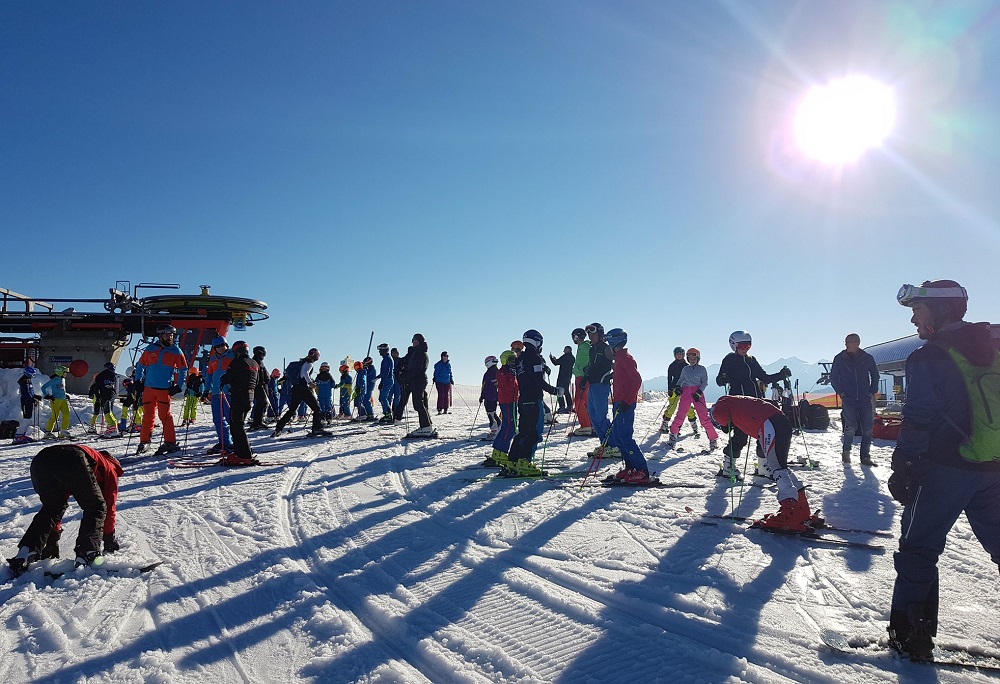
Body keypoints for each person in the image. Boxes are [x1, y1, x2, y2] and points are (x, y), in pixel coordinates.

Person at [887, 280, 1000, 661]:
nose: (915, 318)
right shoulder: (993, 347)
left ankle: (911, 636)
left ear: (941, 311)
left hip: (944, 471)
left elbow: (918, 417)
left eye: (919, 310)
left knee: (918, 548)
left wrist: (903, 463)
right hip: (994, 468)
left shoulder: (928, 356)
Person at [6, 443, 123, 575]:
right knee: (96, 507)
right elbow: (109, 505)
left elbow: (59, 503)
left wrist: (53, 539)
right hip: (73, 458)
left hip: (41, 461)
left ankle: (26, 552)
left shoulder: (93, 457)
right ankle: (88, 553)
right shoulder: (111, 467)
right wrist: (109, 539)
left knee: (52, 508)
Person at [711, 395, 812, 531]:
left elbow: (720, 415)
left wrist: (724, 425)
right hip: (780, 421)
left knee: (776, 467)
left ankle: (790, 512)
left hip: (768, 425)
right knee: (781, 466)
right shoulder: (734, 401)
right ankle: (801, 507)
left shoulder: (720, 406)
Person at [715, 331, 789, 480]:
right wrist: (723, 378)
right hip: (739, 403)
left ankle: (762, 467)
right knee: (741, 436)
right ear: (734, 345)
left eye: (748, 344)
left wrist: (781, 375)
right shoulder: (729, 360)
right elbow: (719, 380)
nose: (745, 348)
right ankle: (728, 467)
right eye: (742, 345)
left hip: (756, 402)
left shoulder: (752, 360)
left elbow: (765, 378)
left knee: (764, 434)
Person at [505, 330, 561, 476]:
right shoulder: (534, 357)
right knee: (534, 432)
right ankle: (525, 462)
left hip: (523, 399)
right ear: (537, 342)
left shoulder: (521, 359)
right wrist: (554, 391)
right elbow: (537, 380)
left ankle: (513, 461)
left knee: (523, 431)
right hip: (533, 398)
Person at [604, 329, 652, 484]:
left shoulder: (625, 358)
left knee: (624, 437)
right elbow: (624, 378)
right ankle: (631, 467)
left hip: (625, 404)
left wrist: (628, 400)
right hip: (619, 402)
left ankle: (642, 470)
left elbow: (636, 381)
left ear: (613, 342)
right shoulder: (619, 359)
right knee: (618, 437)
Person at [134, 325, 187, 455]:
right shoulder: (150, 348)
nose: (170, 337)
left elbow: (183, 369)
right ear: (160, 336)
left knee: (165, 416)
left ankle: (170, 442)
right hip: (148, 389)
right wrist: (137, 380)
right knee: (147, 416)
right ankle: (145, 441)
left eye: (172, 335)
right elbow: (140, 365)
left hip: (164, 389)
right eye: (167, 335)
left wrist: (179, 385)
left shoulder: (176, 351)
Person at [830, 333, 880, 465]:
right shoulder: (839, 359)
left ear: (857, 343)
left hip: (865, 398)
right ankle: (846, 453)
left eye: (849, 342)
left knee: (868, 428)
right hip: (849, 399)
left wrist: (872, 391)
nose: (846, 344)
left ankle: (865, 457)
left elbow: (875, 374)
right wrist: (841, 392)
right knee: (850, 426)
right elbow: (834, 377)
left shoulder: (867, 358)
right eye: (845, 342)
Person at [668, 348, 720, 450]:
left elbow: (704, 382)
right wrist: (678, 387)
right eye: (690, 358)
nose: (692, 360)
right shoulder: (685, 369)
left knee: (704, 417)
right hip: (686, 391)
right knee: (680, 415)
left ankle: (713, 439)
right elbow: (681, 379)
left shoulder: (702, 369)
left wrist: (699, 392)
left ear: (698, 358)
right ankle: (672, 437)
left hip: (697, 392)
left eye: (694, 358)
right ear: (687, 358)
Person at [219, 340, 260, 465]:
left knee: (236, 425)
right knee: (238, 424)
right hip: (250, 395)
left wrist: (223, 380)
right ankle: (241, 452)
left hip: (239, 395)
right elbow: (257, 381)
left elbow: (228, 377)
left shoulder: (237, 362)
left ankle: (244, 455)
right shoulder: (254, 363)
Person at [272, 348, 328, 437]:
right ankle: (317, 429)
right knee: (316, 408)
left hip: (296, 389)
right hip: (303, 389)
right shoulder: (309, 363)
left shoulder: (302, 362)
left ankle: (278, 428)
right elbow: (304, 373)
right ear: (316, 356)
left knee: (291, 410)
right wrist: (310, 383)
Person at [396, 333, 435, 437]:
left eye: (413, 340)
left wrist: (405, 375)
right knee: (419, 404)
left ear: (417, 341)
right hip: (416, 380)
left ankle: (425, 427)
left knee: (418, 404)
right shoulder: (417, 352)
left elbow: (416, 369)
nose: (412, 342)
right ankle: (427, 426)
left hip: (418, 380)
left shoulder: (420, 353)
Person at [486, 350, 519, 467]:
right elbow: (509, 387)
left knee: (507, 426)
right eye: (510, 360)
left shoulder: (508, 371)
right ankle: (502, 451)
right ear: (504, 360)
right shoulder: (503, 372)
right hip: (508, 401)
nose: (512, 362)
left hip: (512, 401)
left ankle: (498, 450)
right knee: (510, 427)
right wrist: (512, 375)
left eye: (513, 360)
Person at [584, 323, 614, 446]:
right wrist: (585, 378)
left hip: (601, 385)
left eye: (593, 334)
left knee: (601, 417)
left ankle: (613, 444)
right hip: (592, 385)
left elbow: (618, 363)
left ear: (600, 334)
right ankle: (604, 444)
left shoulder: (606, 348)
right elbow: (591, 366)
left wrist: (610, 375)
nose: (590, 336)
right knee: (593, 417)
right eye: (589, 334)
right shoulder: (592, 349)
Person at [204, 336, 235, 455]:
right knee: (217, 419)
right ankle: (224, 442)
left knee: (230, 418)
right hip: (216, 393)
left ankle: (234, 442)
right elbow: (209, 376)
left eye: (223, 345)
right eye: (218, 346)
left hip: (228, 392)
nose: (221, 348)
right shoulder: (213, 359)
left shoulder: (232, 356)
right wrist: (206, 390)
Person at [660, 346, 698, 436]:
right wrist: (669, 389)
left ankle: (694, 426)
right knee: (672, 407)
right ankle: (664, 425)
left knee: (688, 407)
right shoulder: (672, 366)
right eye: (677, 354)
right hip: (674, 388)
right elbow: (669, 378)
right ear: (675, 355)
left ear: (683, 355)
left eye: (681, 354)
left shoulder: (687, 366)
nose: (679, 356)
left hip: (685, 388)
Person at [570, 328, 594, 436]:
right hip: (580, 376)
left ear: (577, 336)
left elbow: (592, 356)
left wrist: (587, 368)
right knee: (583, 401)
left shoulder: (585, 346)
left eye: (574, 336)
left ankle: (586, 426)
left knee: (579, 401)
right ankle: (589, 424)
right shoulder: (582, 346)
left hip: (582, 377)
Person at [88, 363, 119, 435]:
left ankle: (112, 428)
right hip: (109, 395)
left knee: (107, 412)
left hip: (104, 395)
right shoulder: (111, 374)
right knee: (108, 411)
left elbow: (95, 385)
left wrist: (92, 394)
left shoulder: (102, 375)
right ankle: (112, 427)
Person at [41, 365, 71, 439]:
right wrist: (47, 395)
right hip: (56, 400)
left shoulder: (63, 379)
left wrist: (65, 395)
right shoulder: (54, 380)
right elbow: (43, 387)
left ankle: (63, 431)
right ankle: (48, 432)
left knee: (66, 414)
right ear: (60, 373)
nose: (66, 374)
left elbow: (61, 389)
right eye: (65, 372)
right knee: (55, 416)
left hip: (63, 400)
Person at [247, 346, 270, 430]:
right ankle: (257, 422)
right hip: (259, 386)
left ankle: (258, 421)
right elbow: (258, 374)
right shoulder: (256, 361)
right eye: (263, 353)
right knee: (262, 402)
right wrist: (261, 382)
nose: (264, 355)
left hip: (262, 385)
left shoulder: (258, 361)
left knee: (263, 403)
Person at [549, 345, 575, 413]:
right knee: (566, 391)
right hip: (568, 376)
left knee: (559, 390)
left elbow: (556, 363)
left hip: (562, 376)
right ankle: (569, 406)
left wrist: (552, 358)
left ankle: (562, 406)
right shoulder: (572, 358)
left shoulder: (565, 357)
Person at [479, 355, 501, 436]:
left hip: (488, 396)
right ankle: (499, 425)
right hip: (496, 396)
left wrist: (482, 396)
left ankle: (494, 431)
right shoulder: (498, 372)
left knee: (490, 413)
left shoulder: (488, 374)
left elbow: (484, 386)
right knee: (493, 412)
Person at [376, 343, 395, 423]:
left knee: (383, 398)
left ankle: (388, 415)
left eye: (380, 350)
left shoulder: (387, 359)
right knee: (383, 398)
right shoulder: (386, 358)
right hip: (387, 380)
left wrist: (382, 382)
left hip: (387, 381)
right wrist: (377, 377)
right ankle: (387, 414)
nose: (379, 352)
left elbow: (386, 373)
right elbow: (384, 372)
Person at [389, 347, 404, 417]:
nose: (394, 354)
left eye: (396, 353)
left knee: (397, 397)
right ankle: (388, 412)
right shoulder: (390, 361)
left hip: (398, 381)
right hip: (391, 381)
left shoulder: (401, 361)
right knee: (389, 397)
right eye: (393, 353)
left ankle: (397, 412)